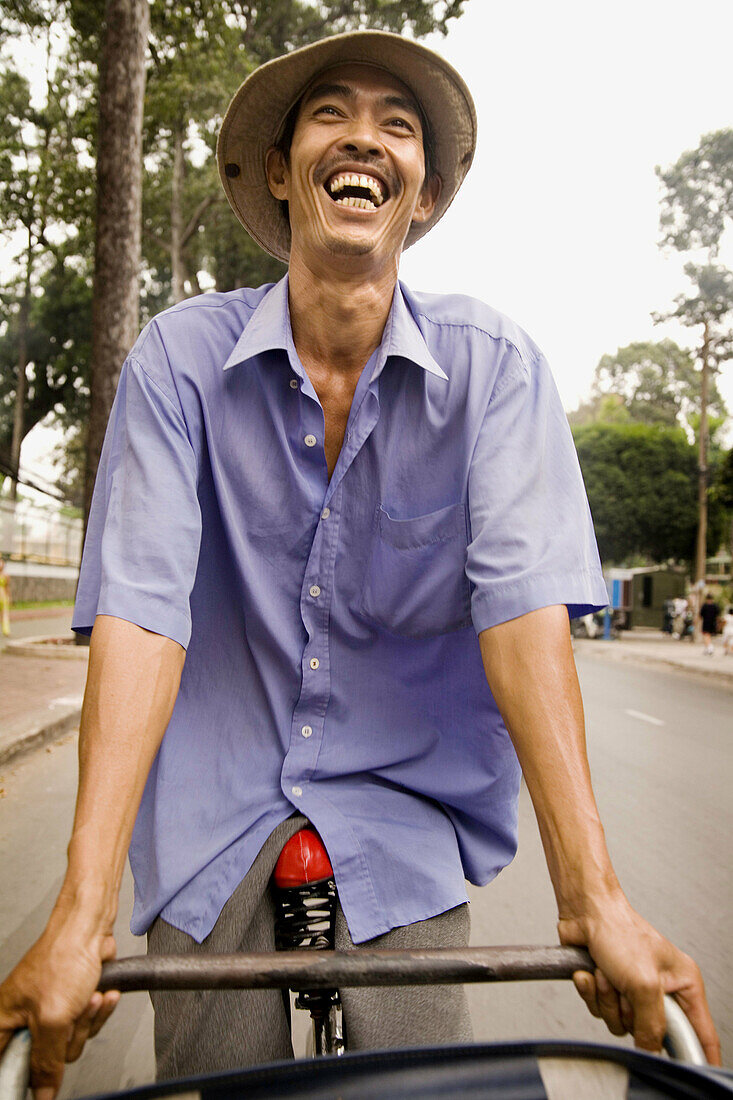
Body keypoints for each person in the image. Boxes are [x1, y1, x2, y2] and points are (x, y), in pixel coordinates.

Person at [0, 31, 720, 1096]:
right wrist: (81, 907)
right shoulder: (177, 365)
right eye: (331, 113)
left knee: (432, 1075)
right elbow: (142, 612)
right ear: (285, 173)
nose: (365, 138)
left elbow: (522, 616)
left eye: (398, 123)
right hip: (213, 806)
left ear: (420, 194)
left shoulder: (496, 372)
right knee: (209, 1077)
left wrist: (592, 896)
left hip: (404, 802)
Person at [0, 558, 10, 637]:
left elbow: (7, 587)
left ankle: (6, 630)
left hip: (3, 596)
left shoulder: (6, 575)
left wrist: (9, 597)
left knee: (5, 614)